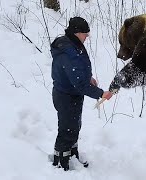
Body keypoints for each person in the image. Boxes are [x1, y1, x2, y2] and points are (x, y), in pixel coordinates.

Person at [50, 17, 113, 171]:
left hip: (73, 94)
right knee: (66, 129)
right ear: (76, 33)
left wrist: (88, 77)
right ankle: (61, 163)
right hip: (66, 95)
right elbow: (78, 82)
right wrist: (101, 93)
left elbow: (78, 72)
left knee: (74, 126)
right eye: (85, 33)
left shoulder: (73, 44)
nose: (87, 36)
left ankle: (72, 155)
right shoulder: (68, 51)